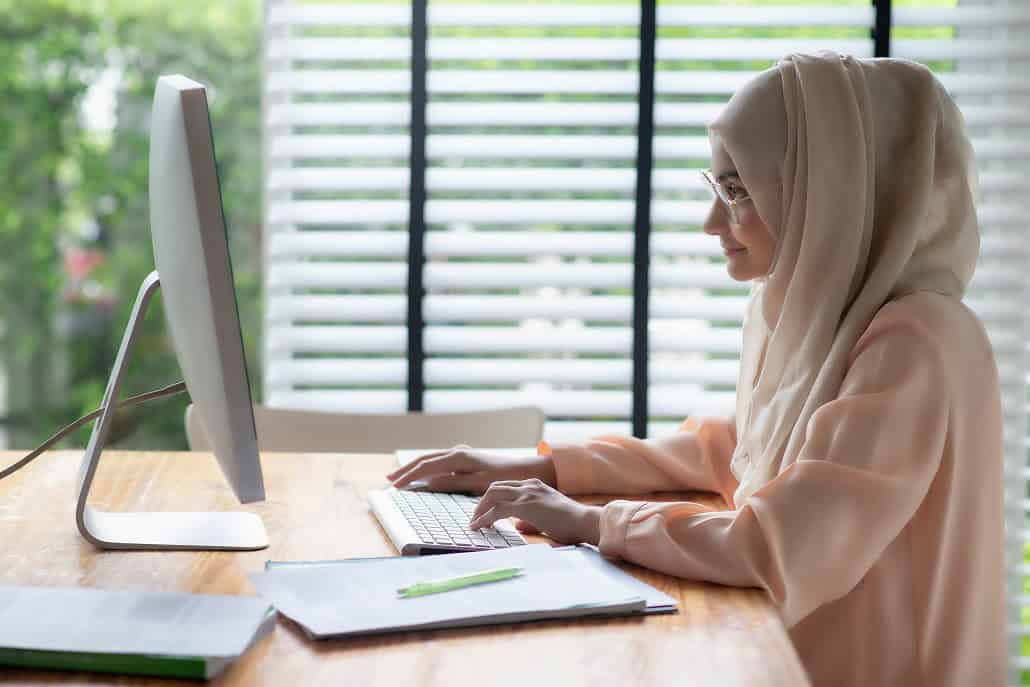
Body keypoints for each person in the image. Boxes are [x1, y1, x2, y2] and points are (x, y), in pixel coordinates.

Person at [386, 51, 1006, 686]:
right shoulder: (817, 310)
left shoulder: (917, 339)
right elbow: (736, 447)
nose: (712, 222)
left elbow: (778, 547)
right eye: (718, 186)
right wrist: (543, 467)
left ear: (835, 189)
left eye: (739, 189)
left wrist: (596, 522)